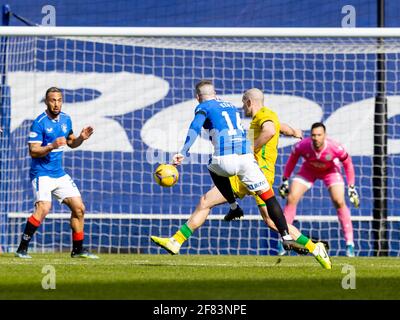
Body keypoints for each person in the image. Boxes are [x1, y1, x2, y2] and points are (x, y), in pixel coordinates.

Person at [151, 85, 331, 269]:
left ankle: (313, 247)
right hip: (251, 172)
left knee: (213, 202)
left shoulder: (263, 115)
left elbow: (269, 130)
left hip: (252, 171)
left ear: (249, 102)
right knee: (259, 217)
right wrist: (293, 131)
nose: (243, 109)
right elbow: (277, 127)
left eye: (244, 105)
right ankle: (176, 241)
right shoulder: (265, 117)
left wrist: (249, 149)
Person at [15, 87, 98, 259]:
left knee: (79, 209)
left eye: (59, 100)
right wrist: (52, 145)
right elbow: (33, 151)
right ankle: (22, 248)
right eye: (53, 100)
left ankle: (77, 250)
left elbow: (71, 143)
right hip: (41, 173)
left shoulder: (66, 120)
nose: (56, 104)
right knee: (44, 208)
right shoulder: (39, 122)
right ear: (46, 102)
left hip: (59, 174)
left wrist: (81, 138)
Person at [278, 122, 359, 257]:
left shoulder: (335, 147)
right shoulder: (303, 145)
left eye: (319, 135)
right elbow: (292, 160)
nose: (316, 138)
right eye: (313, 135)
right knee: (291, 197)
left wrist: (351, 186)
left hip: (330, 172)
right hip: (308, 170)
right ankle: (284, 240)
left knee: (339, 201)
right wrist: (285, 179)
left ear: (325, 135)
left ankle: (350, 244)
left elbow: (348, 163)